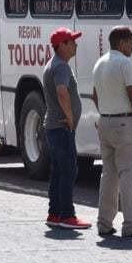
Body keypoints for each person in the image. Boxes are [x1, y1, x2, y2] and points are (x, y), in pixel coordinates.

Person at [92, 26, 132, 238]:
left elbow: (95, 95)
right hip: (125, 125)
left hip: (105, 122)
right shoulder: (125, 63)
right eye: (131, 42)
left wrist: (105, 112)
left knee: (108, 174)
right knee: (131, 175)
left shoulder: (100, 63)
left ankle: (104, 223)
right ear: (122, 43)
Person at [43, 27, 91, 230]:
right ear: (61, 45)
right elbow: (62, 91)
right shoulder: (61, 66)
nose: (75, 45)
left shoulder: (53, 64)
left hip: (53, 127)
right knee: (68, 170)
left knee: (58, 171)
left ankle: (54, 213)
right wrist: (70, 117)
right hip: (61, 127)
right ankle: (66, 215)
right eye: (71, 41)